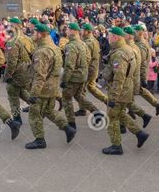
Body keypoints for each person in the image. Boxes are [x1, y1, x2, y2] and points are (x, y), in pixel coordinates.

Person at [25, 23, 76, 149]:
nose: (33, 35)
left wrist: (34, 94)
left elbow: (40, 75)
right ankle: (67, 128)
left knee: (34, 114)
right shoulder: (54, 47)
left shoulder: (42, 51)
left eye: (34, 33)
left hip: (42, 89)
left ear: (40, 34)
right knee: (48, 111)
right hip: (52, 87)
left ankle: (39, 140)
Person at [101, 27, 149, 155]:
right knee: (121, 114)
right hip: (126, 88)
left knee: (112, 117)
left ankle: (116, 146)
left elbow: (119, 77)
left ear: (116, 37)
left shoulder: (119, 53)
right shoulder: (126, 49)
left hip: (120, 90)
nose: (108, 38)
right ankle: (140, 133)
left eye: (109, 35)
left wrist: (113, 97)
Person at [60, 22, 93, 130]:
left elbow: (69, 65)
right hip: (83, 75)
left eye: (68, 30)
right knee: (79, 97)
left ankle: (71, 123)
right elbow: (88, 58)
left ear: (73, 31)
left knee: (66, 98)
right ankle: (96, 112)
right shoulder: (83, 44)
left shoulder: (71, 46)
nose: (67, 31)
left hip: (74, 77)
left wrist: (65, 80)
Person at [3, 17, 35, 125]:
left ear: (15, 27)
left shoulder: (12, 42)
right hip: (28, 70)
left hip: (17, 72)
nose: (9, 28)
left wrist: (7, 75)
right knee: (23, 91)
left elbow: (11, 63)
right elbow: (33, 53)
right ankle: (37, 107)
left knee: (13, 95)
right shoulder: (28, 39)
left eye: (11, 26)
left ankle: (17, 119)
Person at [75, 23, 108, 116]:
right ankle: (107, 101)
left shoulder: (88, 43)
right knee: (91, 87)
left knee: (80, 90)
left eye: (83, 30)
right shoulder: (93, 40)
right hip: (93, 68)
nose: (81, 31)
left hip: (89, 69)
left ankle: (87, 109)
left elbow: (85, 59)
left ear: (87, 32)